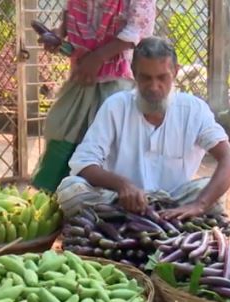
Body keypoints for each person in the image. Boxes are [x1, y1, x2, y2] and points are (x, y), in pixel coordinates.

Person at [56, 37, 230, 220]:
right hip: (119, 200)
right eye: (146, 78)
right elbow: (83, 163)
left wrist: (199, 205)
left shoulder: (194, 109)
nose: (154, 87)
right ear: (134, 73)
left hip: (174, 200)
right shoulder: (116, 106)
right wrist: (122, 185)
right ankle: (133, 214)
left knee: (215, 199)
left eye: (162, 77)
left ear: (175, 72)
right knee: (70, 191)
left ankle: (155, 216)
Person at [31, 0, 156, 193]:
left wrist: (98, 58)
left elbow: (135, 30)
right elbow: (70, 11)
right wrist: (59, 33)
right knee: (61, 128)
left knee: (108, 141)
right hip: (83, 74)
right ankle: (57, 198)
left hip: (119, 77)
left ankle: (109, 200)